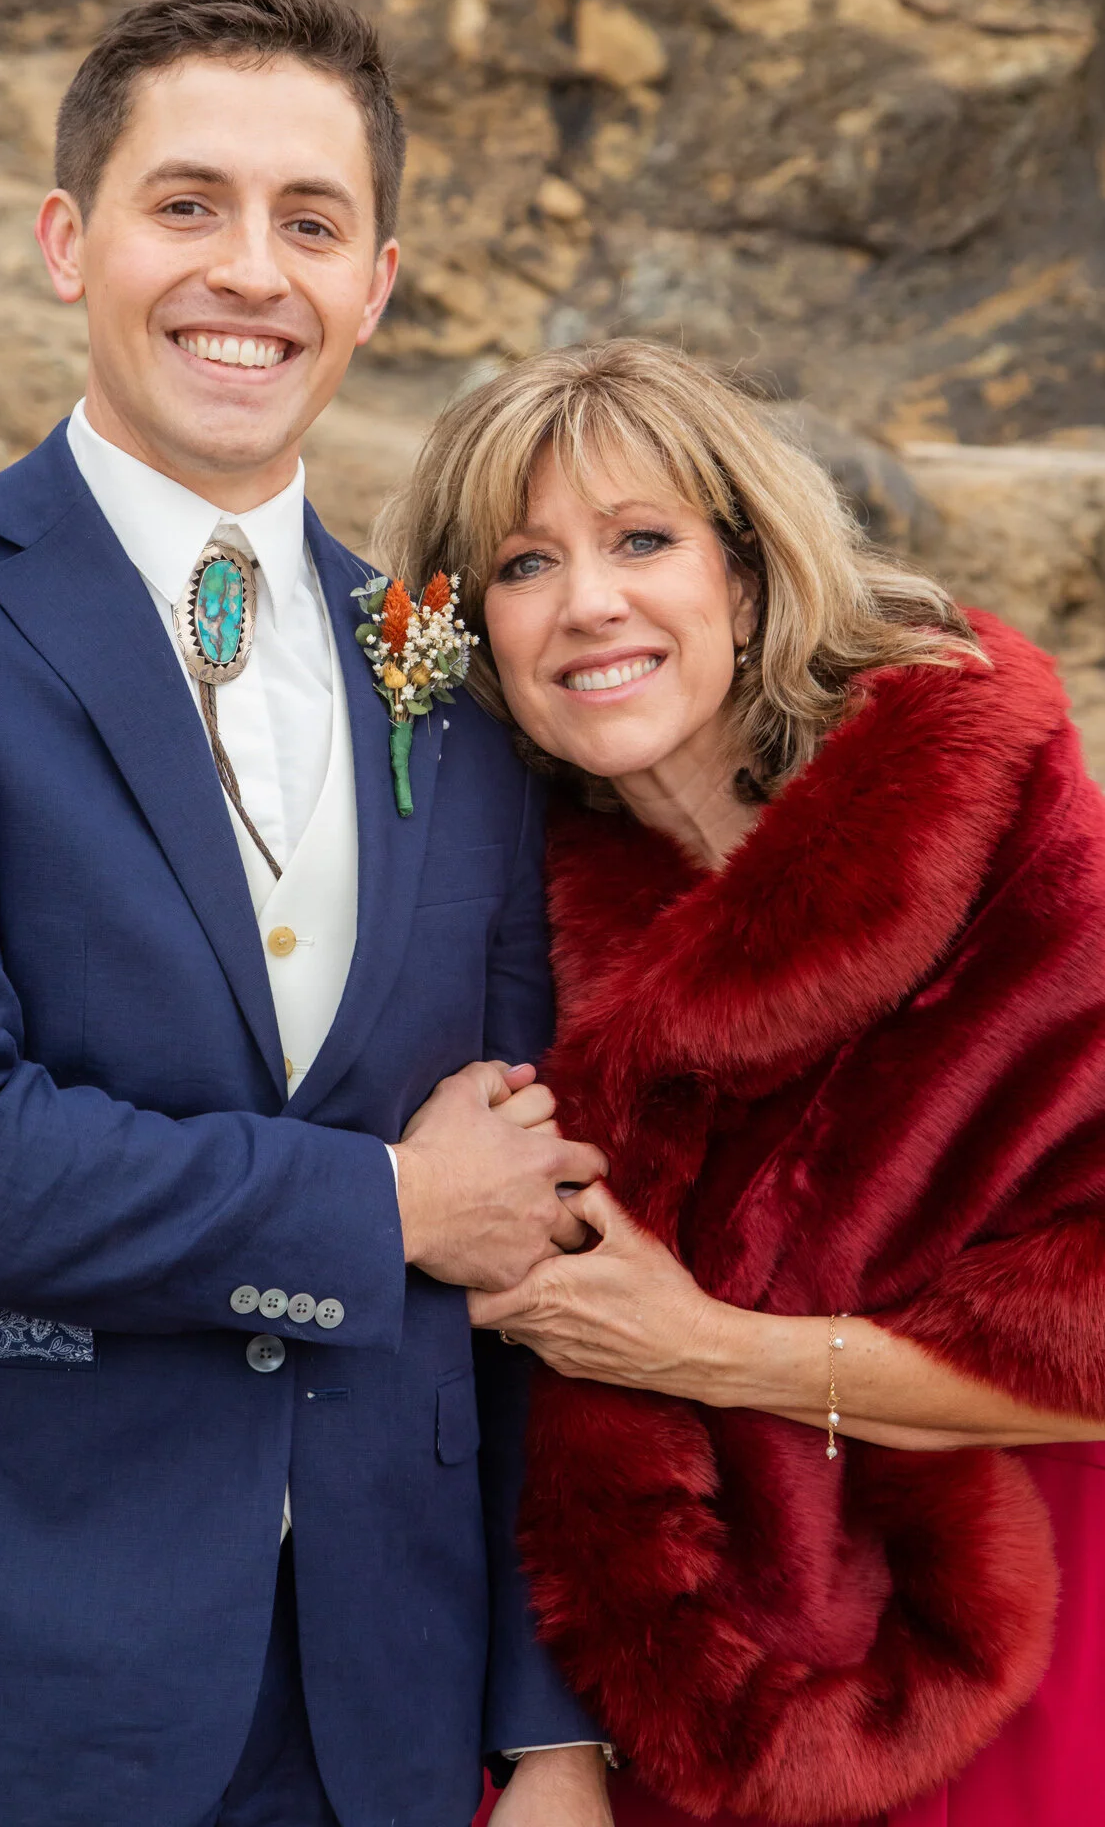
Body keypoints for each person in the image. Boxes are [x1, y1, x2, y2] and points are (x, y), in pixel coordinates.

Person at [0, 0, 616, 1827]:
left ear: (377, 282)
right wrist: (389, 1205)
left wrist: (552, 1725)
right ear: (70, 241)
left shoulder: (449, 681)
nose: (252, 271)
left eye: (309, 223)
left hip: (376, 1722)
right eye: (188, 205)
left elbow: (533, 1219)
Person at [371, 338, 1105, 1827]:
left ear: (748, 580)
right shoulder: (492, 920)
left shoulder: (1010, 849)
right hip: (643, 1682)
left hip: (1005, 1633)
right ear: (468, 635)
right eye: (524, 566)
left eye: (644, 541)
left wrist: (702, 1349)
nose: (591, 603)